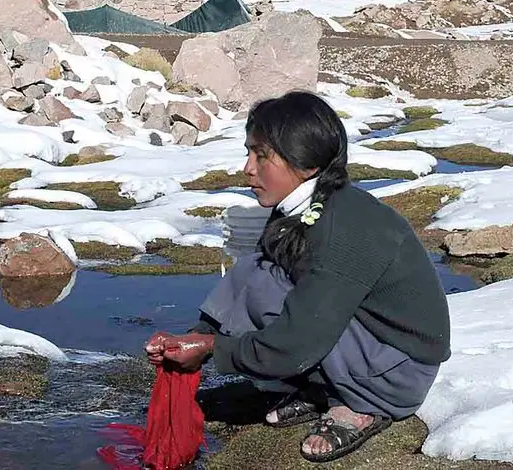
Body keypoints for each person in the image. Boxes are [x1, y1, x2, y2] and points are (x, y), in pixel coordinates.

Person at [145, 90, 451, 463]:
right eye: (248, 152)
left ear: (304, 163)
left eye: (262, 155)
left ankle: (358, 406)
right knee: (257, 273)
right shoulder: (300, 207)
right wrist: (201, 334)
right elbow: (252, 281)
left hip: (395, 372)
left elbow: (299, 341)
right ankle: (321, 389)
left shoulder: (348, 227)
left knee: (301, 316)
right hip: (364, 343)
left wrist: (215, 351)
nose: (248, 168)